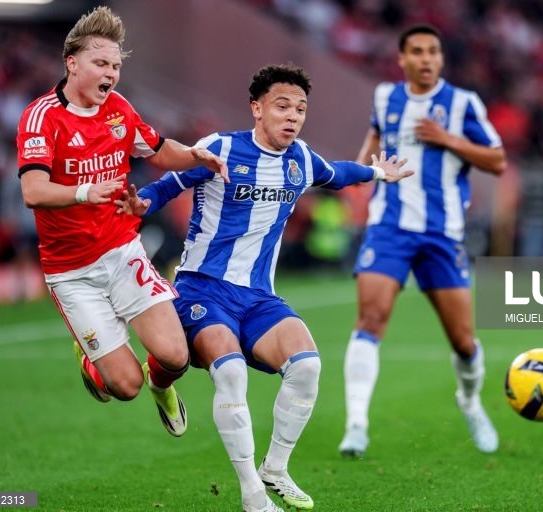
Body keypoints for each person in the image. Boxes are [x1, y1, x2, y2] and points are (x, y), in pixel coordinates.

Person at [117, 64, 412, 512]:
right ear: (256, 108)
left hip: (258, 297)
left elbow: (336, 173)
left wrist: (377, 174)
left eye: (300, 109)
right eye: (282, 106)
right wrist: (142, 204)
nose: (292, 116)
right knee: (231, 373)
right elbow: (168, 184)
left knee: (308, 367)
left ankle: (275, 468)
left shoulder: (300, 159)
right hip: (203, 289)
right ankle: (252, 495)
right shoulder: (219, 149)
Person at [16, 6, 228, 437]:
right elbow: (32, 191)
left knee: (175, 356)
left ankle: (162, 387)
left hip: (121, 249)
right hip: (72, 272)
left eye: (115, 65)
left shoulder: (118, 108)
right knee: (123, 387)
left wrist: (194, 155)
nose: (110, 73)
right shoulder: (41, 118)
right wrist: (84, 192)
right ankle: (90, 355)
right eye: (100, 63)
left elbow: (155, 148)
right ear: (72, 63)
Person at [338, 24, 507, 458]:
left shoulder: (463, 103)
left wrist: (448, 138)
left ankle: (469, 402)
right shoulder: (384, 97)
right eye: (417, 51)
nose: (426, 58)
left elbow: (498, 160)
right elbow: (376, 135)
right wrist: (360, 174)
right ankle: (356, 424)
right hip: (388, 227)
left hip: (442, 233)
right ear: (402, 58)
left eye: (434, 51)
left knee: (464, 341)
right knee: (370, 320)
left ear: (441, 59)